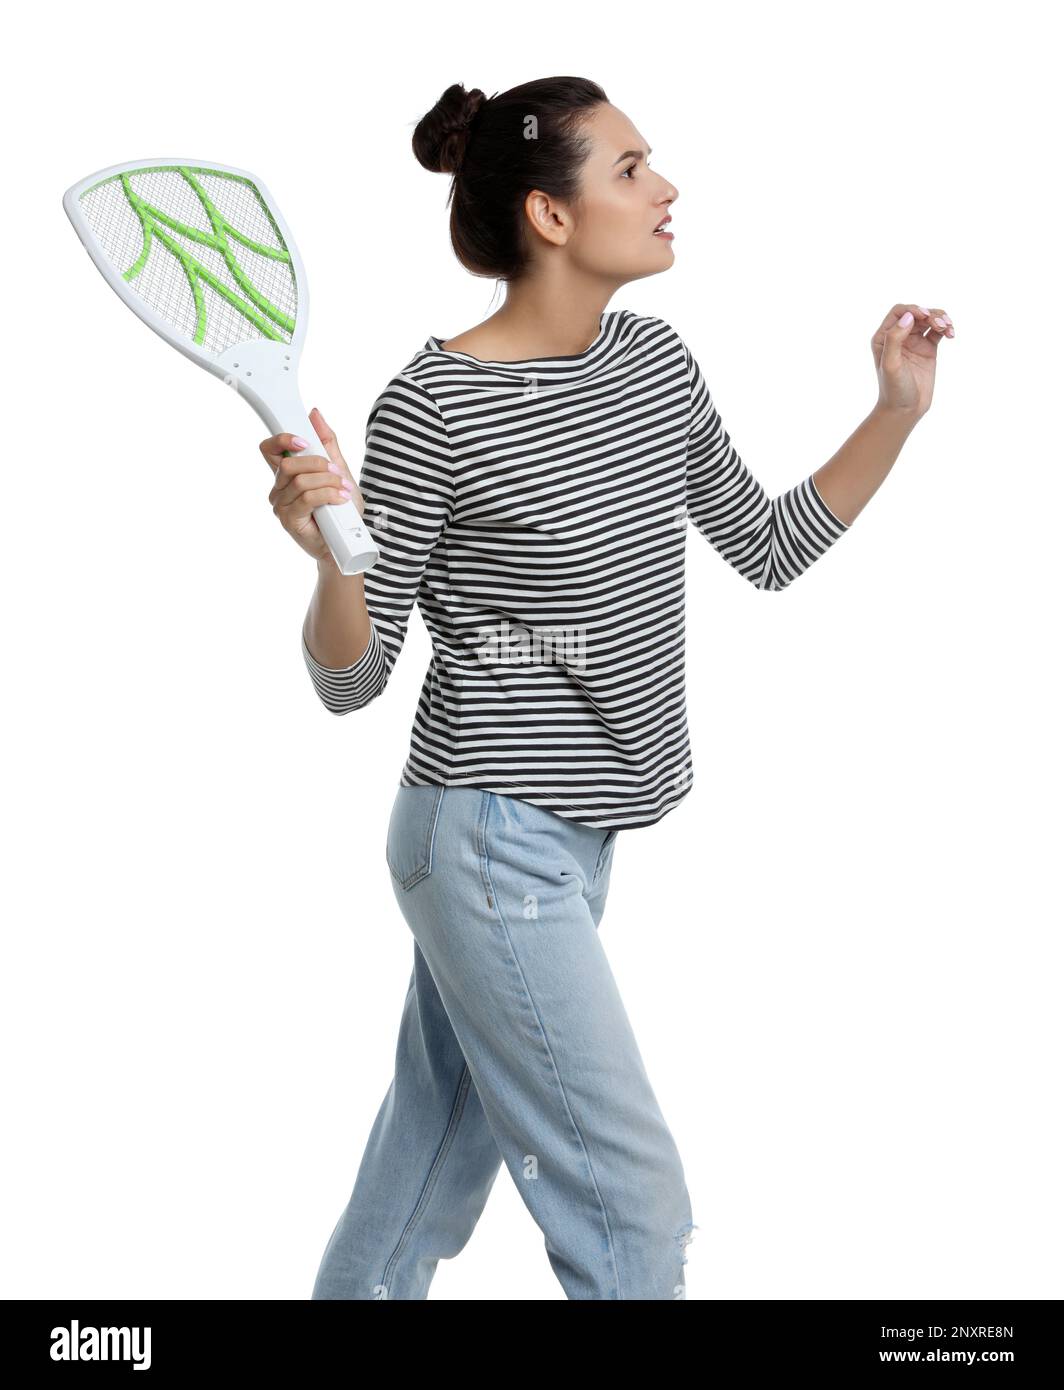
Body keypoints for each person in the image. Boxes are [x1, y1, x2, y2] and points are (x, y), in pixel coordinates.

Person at [258, 77, 954, 1300]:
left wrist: (891, 412)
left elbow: (766, 544)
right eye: (632, 169)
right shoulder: (432, 405)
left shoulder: (651, 362)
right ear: (551, 214)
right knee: (631, 1206)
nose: (667, 187)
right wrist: (331, 559)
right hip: (481, 839)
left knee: (424, 1171)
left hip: (577, 837)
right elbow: (352, 679)